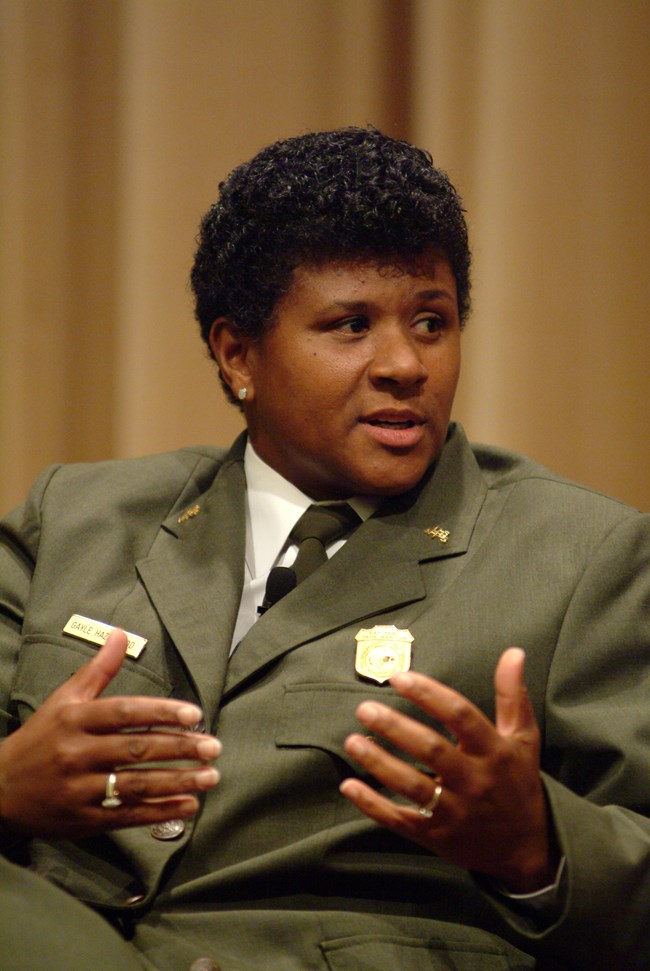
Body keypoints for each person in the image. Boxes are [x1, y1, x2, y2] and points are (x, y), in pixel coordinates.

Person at [0, 127, 648, 971]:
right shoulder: (76, 516)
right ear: (238, 354)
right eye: (351, 325)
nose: (405, 363)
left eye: (431, 321)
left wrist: (538, 846)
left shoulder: (580, 556)